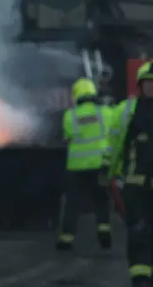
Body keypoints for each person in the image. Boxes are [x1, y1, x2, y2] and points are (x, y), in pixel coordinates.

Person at [107, 60, 153, 287]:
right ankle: (140, 279)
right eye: (147, 83)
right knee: (138, 232)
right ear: (140, 85)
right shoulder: (124, 110)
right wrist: (106, 170)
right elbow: (113, 143)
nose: (151, 87)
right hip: (135, 185)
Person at [56, 77, 113, 251]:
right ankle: (104, 236)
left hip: (76, 167)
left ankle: (66, 239)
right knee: (102, 201)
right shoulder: (105, 112)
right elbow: (113, 134)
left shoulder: (69, 115)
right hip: (100, 165)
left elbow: (67, 137)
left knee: (73, 204)